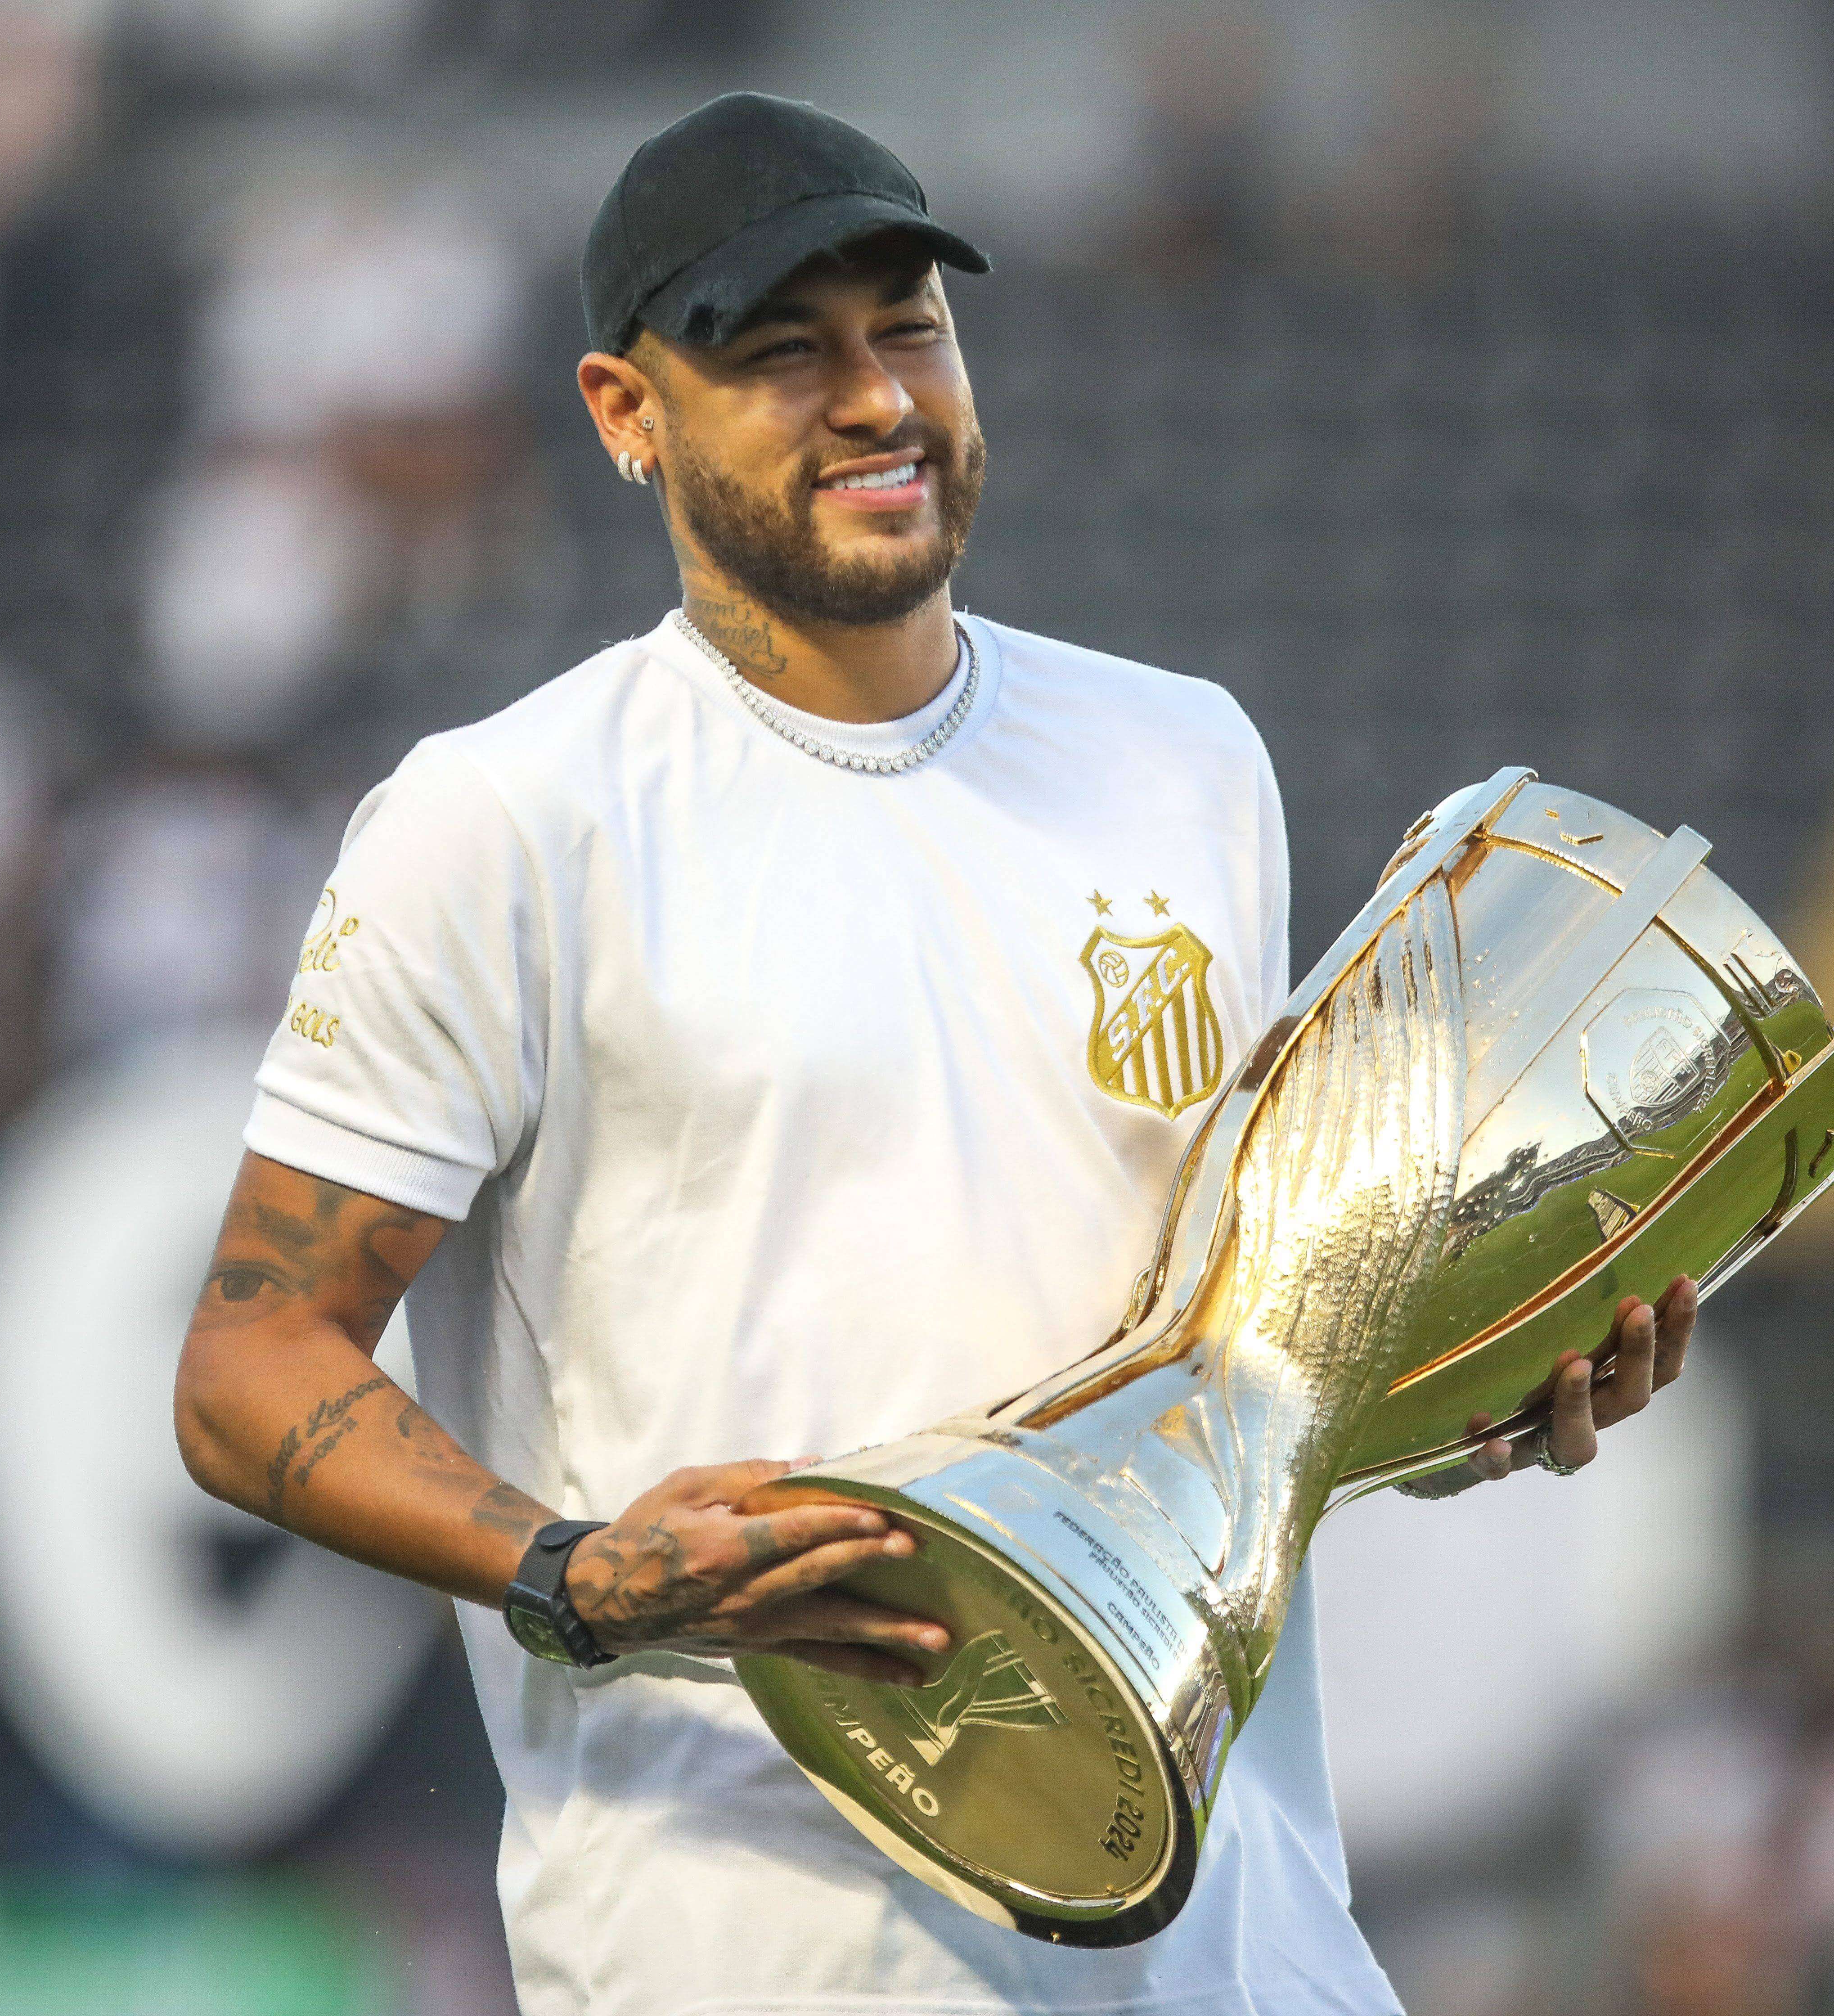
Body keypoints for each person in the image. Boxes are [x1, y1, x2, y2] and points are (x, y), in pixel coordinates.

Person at [171, 91, 1697, 2016]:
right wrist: (573, 1569)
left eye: (908, 326)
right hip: (766, 1954)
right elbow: (247, 1368)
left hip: (1232, 1937)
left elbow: (1222, 1353)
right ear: (623, 412)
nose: (875, 395)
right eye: (780, 351)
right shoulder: (507, 820)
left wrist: (1470, 1387)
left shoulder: (1186, 757)